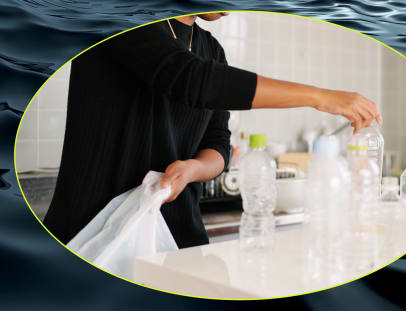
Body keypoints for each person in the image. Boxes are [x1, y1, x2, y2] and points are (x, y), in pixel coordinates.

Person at [43, 13, 381, 249]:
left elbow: (218, 143)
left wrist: (193, 170)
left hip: (177, 240)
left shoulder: (211, 50)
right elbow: (191, 80)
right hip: (95, 235)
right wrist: (319, 97)